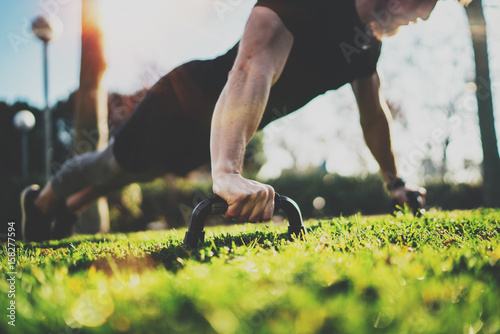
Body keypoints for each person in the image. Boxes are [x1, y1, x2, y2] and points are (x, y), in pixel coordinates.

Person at [20, 0, 451, 242]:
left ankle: (64, 209)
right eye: (424, 3)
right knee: (110, 165)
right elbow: (251, 70)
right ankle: (40, 204)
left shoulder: (367, 46)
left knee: (138, 172)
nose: (426, 15)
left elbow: (373, 115)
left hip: (215, 134)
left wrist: (395, 181)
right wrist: (227, 171)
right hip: (178, 106)